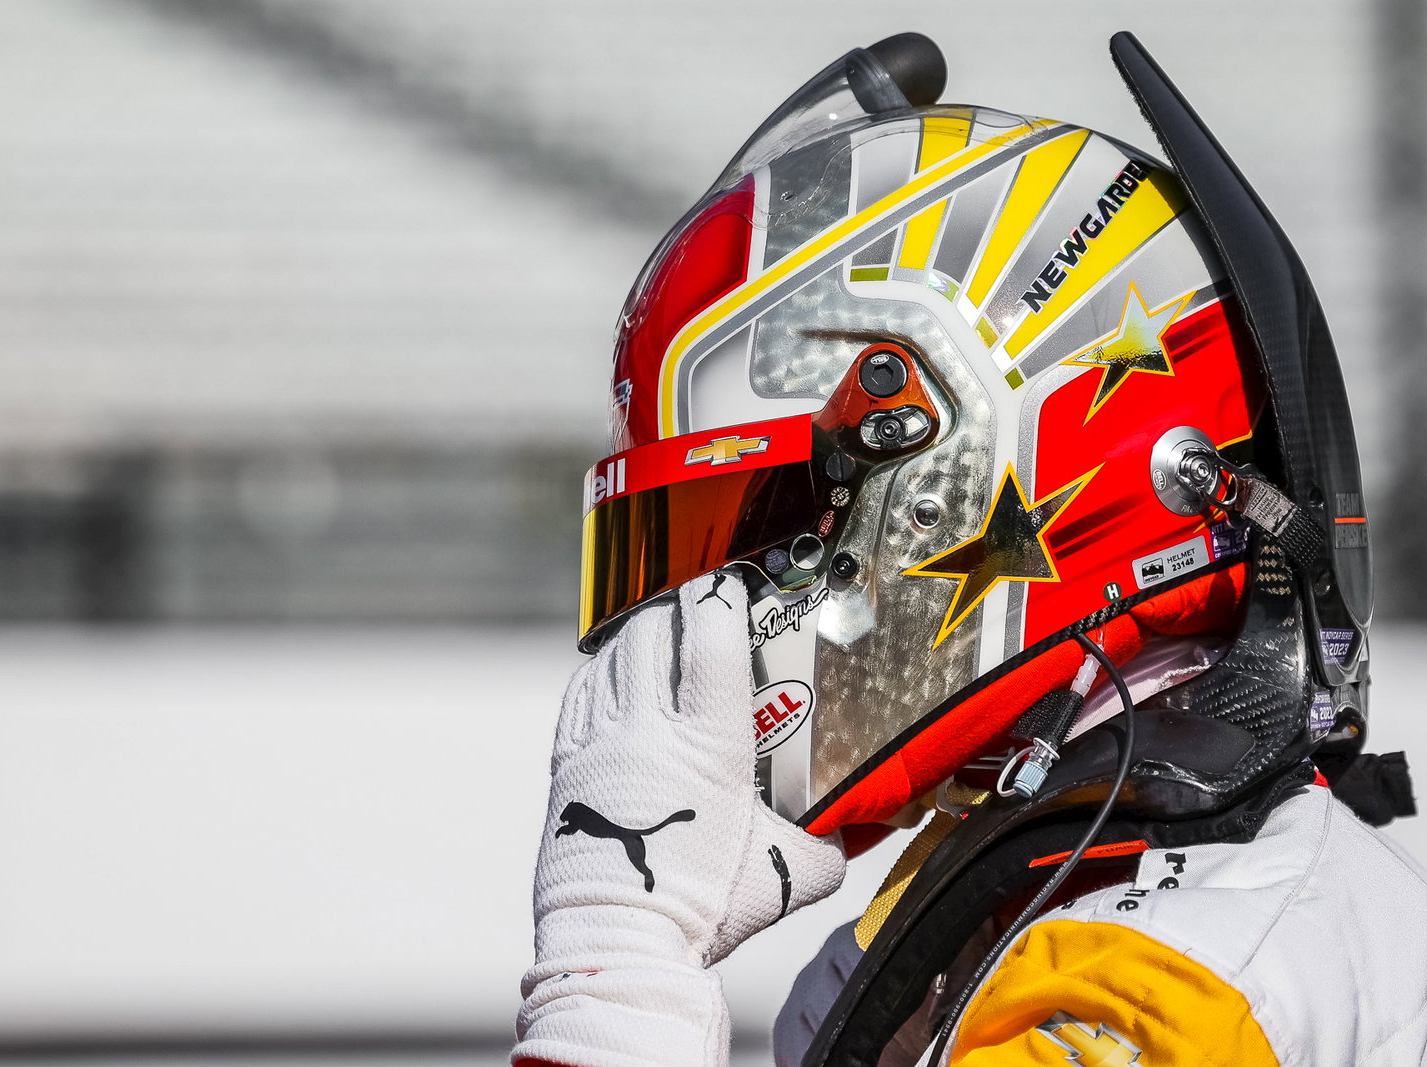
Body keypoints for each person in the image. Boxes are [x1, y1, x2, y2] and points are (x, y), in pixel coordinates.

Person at [514, 30, 1424, 1067]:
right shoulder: (1097, 879)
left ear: (955, 466)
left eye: (759, 535)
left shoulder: (1164, 992)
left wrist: (618, 962)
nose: (704, 610)